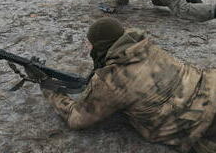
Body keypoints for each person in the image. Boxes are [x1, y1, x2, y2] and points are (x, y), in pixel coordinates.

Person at [40, 17, 216, 153]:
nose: (88, 49)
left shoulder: (112, 81)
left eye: (90, 45)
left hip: (199, 127)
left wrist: (48, 88)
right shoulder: (145, 48)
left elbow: (76, 119)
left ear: (99, 47)